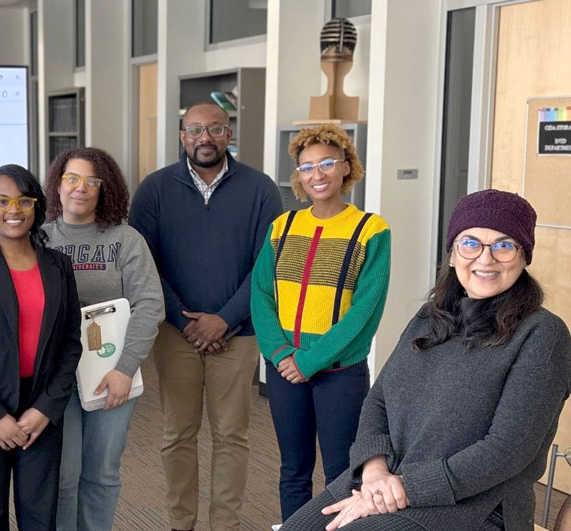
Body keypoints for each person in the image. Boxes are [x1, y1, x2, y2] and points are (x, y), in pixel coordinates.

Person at [282, 189, 571, 531]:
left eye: (504, 245)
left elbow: (507, 451)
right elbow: (379, 400)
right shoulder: (431, 316)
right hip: (384, 482)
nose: (486, 259)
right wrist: (374, 472)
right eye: (471, 243)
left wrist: (405, 488)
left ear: (524, 256)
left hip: (473, 506)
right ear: (452, 253)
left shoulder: (543, 334)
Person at [129, 101, 284, 531]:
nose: (205, 138)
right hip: (175, 334)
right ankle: (182, 524)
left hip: (240, 333)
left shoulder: (261, 189)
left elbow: (266, 264)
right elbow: (145, 264)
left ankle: (225, 526)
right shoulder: (154, 189)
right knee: (177, 434)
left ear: (229, 134)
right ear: (182, 136)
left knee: (232, 436)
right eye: (195, 130)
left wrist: (224, 319)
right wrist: (187, 322)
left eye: (215, 129)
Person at [250, 125, 391, 521]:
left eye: (327, 163)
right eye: (307, 167)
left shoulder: (371, 229)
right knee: (292, 470)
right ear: (298, 175)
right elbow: (261, 295)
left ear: (346, 167)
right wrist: (280, 354)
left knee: (342, 474)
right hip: (283, 368)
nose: (318, 174)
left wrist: (307, 361)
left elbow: (364, 313)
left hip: (339, 373)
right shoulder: (283, 227)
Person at [0, 164, 83, 531]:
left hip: (40, 407)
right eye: (2, 200)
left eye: (23, 200)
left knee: (40, 516)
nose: (13, 210)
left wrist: (46, 408)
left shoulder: (59, 266)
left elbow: (71, 343)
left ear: (37, 206)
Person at [41, 147, 164, 531]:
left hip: (112, 373)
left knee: (102, 473)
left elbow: (149, 305)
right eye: (72, 179)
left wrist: (125, 369)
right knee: (64, 475)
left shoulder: (125, 240)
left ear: (103, 188)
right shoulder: (38, 238)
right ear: (57, 186)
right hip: (56, 377)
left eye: (91, 181)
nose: (81, 188)